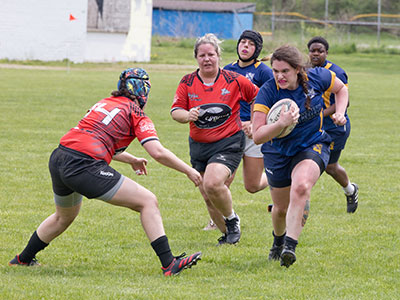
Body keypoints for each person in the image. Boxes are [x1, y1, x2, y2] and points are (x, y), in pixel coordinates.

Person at [9, 68, 202, 276]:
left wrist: (131, 159)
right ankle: (169, 264)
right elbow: (158, 152)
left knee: (62, 217)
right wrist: (188, 170)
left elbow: (93, 138)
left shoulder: (103, 103)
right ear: (143, 91)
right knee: (148, 201)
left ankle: (22, 259)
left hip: (60, 157)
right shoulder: (137, 114)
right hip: (83, 165)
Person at [252, 45, 348, 267]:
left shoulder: (317, 77)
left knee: (302, 187)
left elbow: (341, 90)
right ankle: (278, 241)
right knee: (280, 208)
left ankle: (289, 247)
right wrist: (281, 124)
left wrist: (340, 111)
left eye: (284, 71)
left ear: (297, 69)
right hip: (277, 152)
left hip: (312, 144)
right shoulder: (268, 91)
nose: (279, 76)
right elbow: (257, 136)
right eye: (275, 71)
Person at [170, 33, 259, 245]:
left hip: (228, 142)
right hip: (199, 146)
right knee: (209, 198)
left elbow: (258, 97)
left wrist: (255, 121)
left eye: (211, 54)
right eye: (202, 55)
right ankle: (229, 238)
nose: (207, 59)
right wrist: (187, 115)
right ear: (196, 58)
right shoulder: (188, 82)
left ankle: (232, 220)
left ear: (218, 55)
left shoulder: (235, 80)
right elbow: (175, 111)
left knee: (212, 183)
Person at [201, 30, 273, 232]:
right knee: (221, 180)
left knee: (252, 186)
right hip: (229, 132)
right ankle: (219, 220)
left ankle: (280, 175)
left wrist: (254, 121)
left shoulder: (263, 72)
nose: (245, 46)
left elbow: (268, 100)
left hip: (252, 133)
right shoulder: (228, 69)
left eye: (250, 44)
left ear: (256, 49)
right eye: (243, 42)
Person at [307, 36, 358, 213]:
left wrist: (319, 113)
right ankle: (295, 198)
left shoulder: (336, 72)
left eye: (319, 51)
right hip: (313, 126)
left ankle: (350, 190)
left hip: (335, 127)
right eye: (312, 50)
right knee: (305, 160)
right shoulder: (305, 71)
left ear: (326, 53)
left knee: (330, 167)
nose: (315, 54)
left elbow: (344, 103)